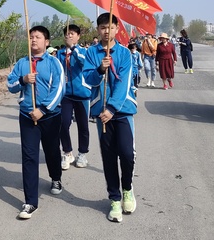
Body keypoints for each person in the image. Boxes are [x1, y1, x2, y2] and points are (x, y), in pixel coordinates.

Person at [83, 13, 137, 223]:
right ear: (98, 30)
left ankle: (127, 189)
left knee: (127, 154)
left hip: (121, 110)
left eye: (110, 27)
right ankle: (114, 198)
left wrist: (112, 108)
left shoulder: (125, 53)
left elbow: (123, 83)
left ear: (117, 29)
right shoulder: (91, 53)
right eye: (103, 27)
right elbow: (88, 79)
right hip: (101, 111)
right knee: (108, 156)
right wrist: (100, 68)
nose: (107, 31)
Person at [7, 25, 65, 220]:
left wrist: (43, 109)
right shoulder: (22, 63)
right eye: (31, 37)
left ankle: (56, 178)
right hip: (27, 115)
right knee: (29, 156)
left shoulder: (54, 63)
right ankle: (31, 201)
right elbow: (10, 85)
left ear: (46, 42)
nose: (33, 40)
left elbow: (59, 89)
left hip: (49, 115)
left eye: (38, 37)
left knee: (51, 151)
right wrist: (23, 79)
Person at [57, 25, 91, 170]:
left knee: (83, 126)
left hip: (82, 95)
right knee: (63, 124)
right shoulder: (60, 54)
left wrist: (74, 49)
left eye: (71, 34)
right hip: (66, 95)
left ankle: (82, 153)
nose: (68, 36)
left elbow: (84, 63)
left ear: (78, 36)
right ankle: (67, 152)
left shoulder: (84, 52)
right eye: (66, 34)